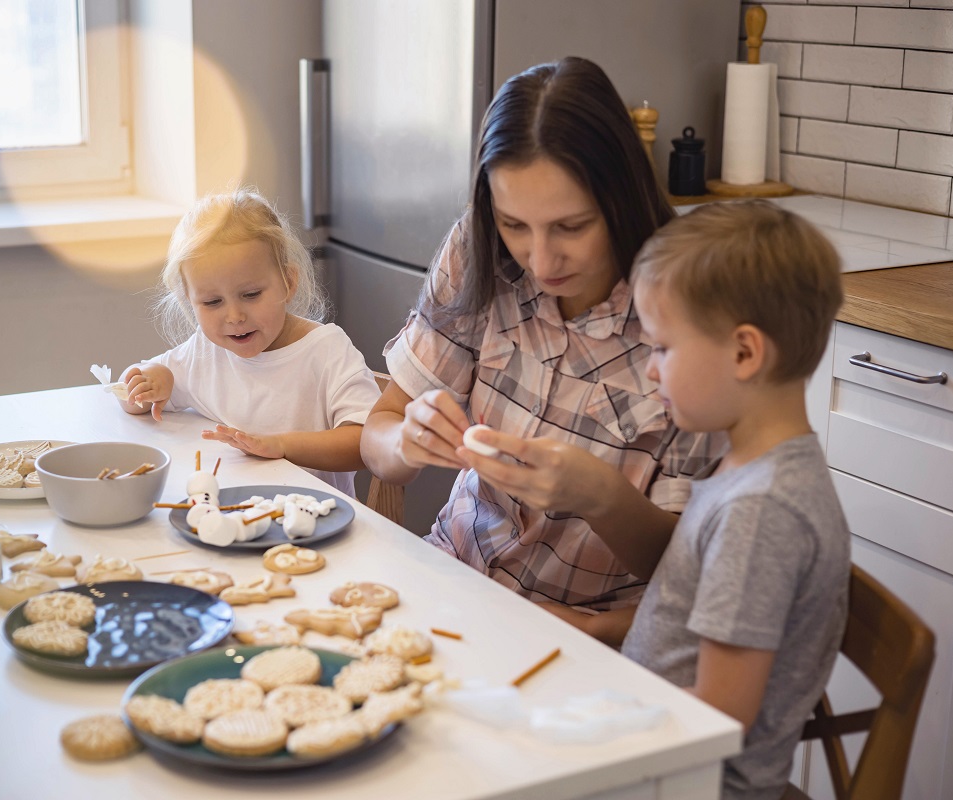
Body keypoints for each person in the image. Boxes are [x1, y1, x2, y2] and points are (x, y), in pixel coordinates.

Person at [474, 200, 851, 799]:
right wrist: (592, 630)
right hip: (659, 746)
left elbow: (719, 716)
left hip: (686, 779)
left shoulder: (762, 512)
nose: (650, 373)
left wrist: (578, 736)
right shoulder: (750, 468)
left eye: (663, 349)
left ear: (745, 353)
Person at [360, 57, 724, 644]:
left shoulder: (688, 307)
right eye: (514, 224)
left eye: (572, 226)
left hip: (591, 639)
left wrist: (601, 498)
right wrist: (405, 442)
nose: (540, 260)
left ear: (621, 197)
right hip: (449, 584)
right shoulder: (478, 251)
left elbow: (687, 574)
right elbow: (375, 437)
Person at [120, 188, 381, 498]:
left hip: (315, 526)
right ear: (190, 302)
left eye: (251, 295)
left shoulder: (326, 351)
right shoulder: (205, 351)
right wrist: (145, 381)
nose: (234, 316)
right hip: (231, 514)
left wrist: (283, 446)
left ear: (289, 281)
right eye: (212, 302)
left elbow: (366, 443)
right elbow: (132, 400)